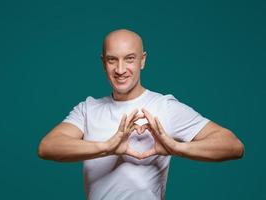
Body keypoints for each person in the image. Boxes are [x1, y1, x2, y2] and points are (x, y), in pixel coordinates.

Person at [38, 29, 244, 200]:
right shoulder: (88, 109)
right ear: (103, 63)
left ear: (142, 61)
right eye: (112, 60)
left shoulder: (165, 107)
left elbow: (233, 146)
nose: (120, 69)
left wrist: (177, 148)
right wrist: (106, 147)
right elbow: (48, 147)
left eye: (129, 59)